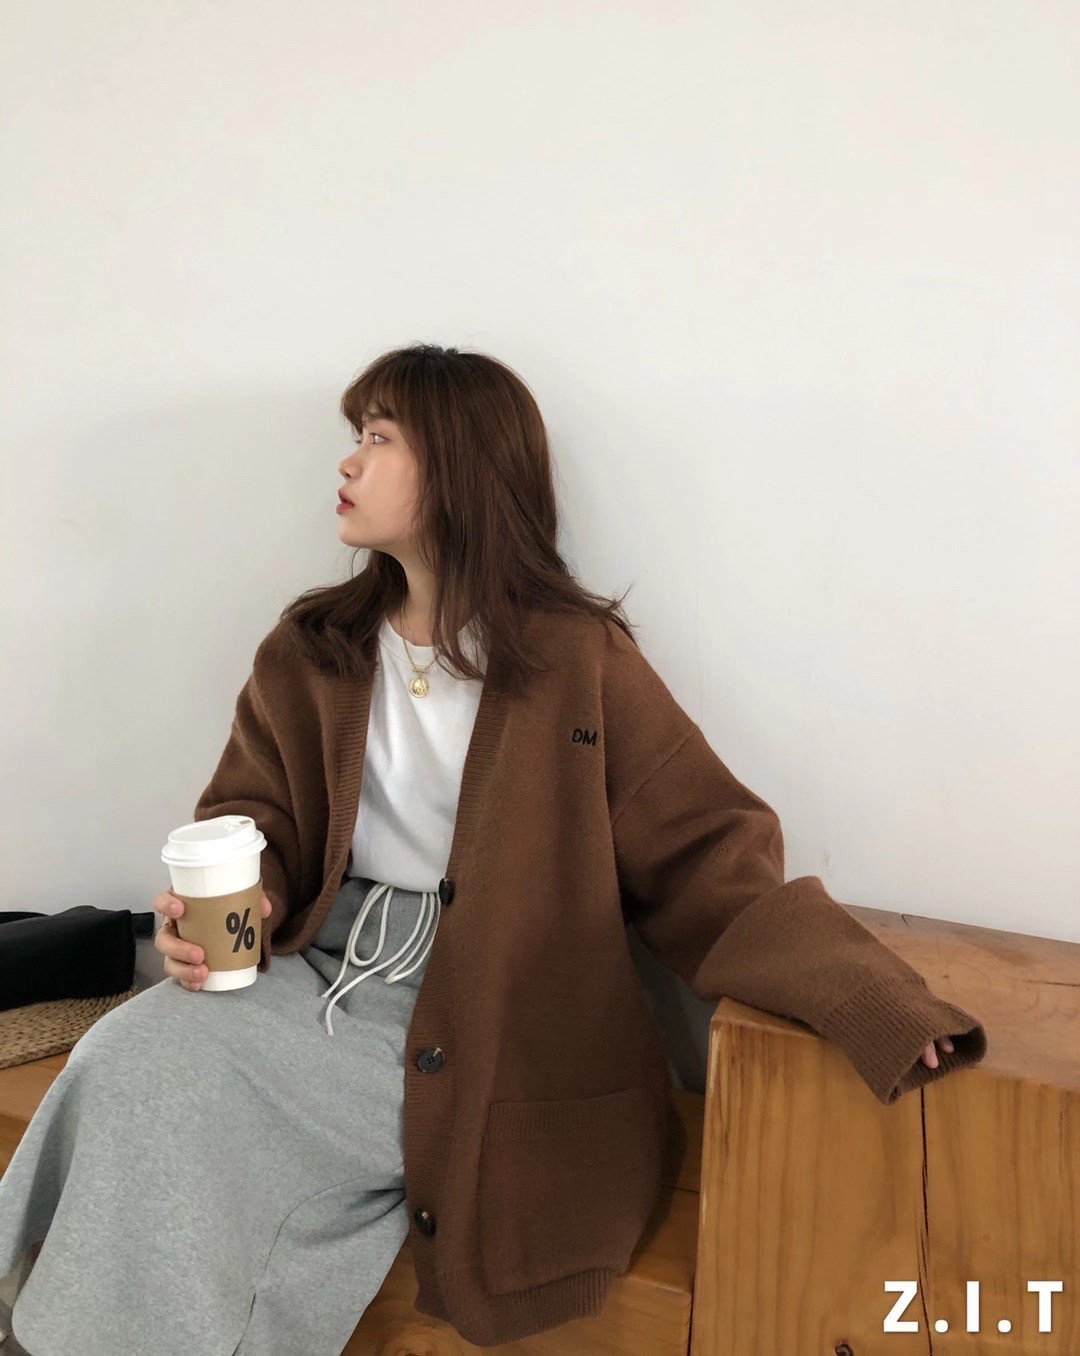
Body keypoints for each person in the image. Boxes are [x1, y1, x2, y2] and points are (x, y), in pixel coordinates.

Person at [0, 343, 986, 1354]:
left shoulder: (577, 660)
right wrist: (237, 902)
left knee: (207, 1110)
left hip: (499, 1009)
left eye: (378, 438)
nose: (347, 462)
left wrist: (870, 998)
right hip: (319, 972)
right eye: (355, 436)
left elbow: (707, 854)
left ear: (457, 470)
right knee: (131, 1051)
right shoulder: (312, 647)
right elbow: (257, 820)